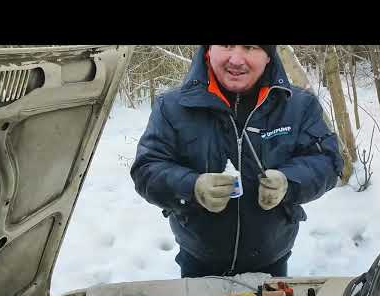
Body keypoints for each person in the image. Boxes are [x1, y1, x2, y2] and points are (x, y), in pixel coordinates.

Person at [130, 45, 343, 278]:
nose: (236, 60)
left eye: (251, 47)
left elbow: (328, 161)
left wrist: (288, 181)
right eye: (227, 45)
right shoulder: (172, 107)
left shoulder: (298, 105)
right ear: (209, 50)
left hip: (272, 261)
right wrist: (192, 187)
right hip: (198, 260)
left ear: (269, 56)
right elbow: (146, 169)